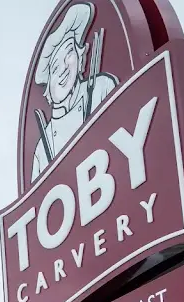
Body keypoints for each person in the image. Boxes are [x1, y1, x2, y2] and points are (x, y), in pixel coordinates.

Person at [31, 2, 119, 181]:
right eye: (54, 68)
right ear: (48, 87)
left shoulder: (102, 88)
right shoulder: (42, 147)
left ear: (81, 57)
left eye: (69, 53)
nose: (63, 69)